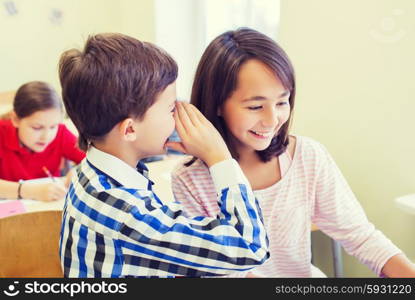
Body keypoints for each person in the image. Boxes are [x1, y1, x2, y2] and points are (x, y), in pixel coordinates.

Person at [171, 27, 415, 277]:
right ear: (218, 104)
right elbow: (223, 273)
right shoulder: (190, 179)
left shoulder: (308, 156)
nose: (272, 120)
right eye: (255, 106)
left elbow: (361, 236)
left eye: (281, 102)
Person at [58, 33, 269, 278]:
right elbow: (250, 248)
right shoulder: (127, 215)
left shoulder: (93, 172)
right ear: (129, 129)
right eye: (171, 108)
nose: (180, 115)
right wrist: (219, 156)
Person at [0, 81, 85, 202]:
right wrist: (30, 191)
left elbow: (93, 159)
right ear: (16, 119)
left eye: (53, 127)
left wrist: (78, 171)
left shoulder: (60, 133)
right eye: (37, 128)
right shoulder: (2, 133)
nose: (46, 137)